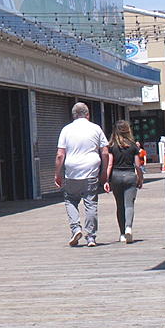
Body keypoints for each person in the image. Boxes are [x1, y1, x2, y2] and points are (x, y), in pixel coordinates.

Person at [54, 103, 108, 247]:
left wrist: (57, 174)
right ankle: (90, 236)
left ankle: (76, 228)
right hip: (91, 170)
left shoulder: (66, 130)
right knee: (91, 203)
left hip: (72, 171)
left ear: (73, 115)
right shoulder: (96, 129)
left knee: (70, 200)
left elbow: (60, 155)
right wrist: (104, 172)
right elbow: (105, 152)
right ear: (88, 114)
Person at [103, 120, 144, 244]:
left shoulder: (112, 145)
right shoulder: (133, 145)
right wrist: (140, 178)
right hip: (130, 176)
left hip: (116, 176)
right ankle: (128, 228)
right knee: (129, 205)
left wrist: (106, 180)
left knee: (119, 205)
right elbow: (137, 165)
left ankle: (121, 234)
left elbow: (109, 164)